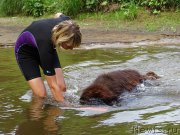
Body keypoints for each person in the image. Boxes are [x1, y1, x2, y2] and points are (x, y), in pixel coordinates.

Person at [15, 13, 82, 103]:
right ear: (62, 39)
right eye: (70, 45)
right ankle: (37, 114)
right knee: (41, 95)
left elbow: (59, 14)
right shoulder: (46, 45)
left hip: (46, 44)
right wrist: (67, 106)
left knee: (62, 88)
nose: (71, 48)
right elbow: (53, 85)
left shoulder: (66, 24)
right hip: (26, 53)